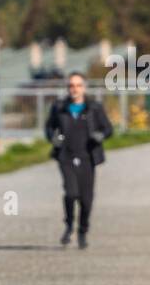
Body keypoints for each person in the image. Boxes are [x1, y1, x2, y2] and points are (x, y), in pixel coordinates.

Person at [44, 72, 112, 249]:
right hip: (66, 156)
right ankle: (68, 225)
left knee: (86, 199)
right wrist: (53, 138)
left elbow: (108, 129)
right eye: (71, 86)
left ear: (84, 88)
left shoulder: (94, 108)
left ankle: (82, 230)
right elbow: (49, 127)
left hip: (88, 157)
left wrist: (100, 135)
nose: (75, 89)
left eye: (78, 85)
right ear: (68, 88)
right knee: (71, 192)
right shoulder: (59, 107)